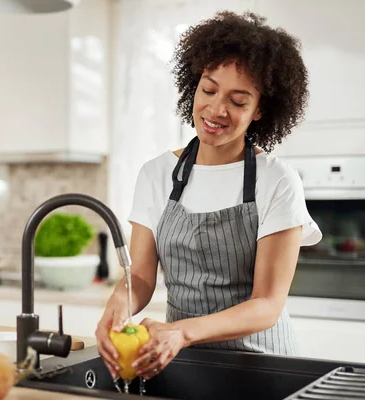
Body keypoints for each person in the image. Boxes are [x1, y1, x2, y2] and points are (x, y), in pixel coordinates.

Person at [96, 10, 322, 381]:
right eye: (209, 89)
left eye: (238, 100)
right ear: (194, 85)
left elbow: (267, 304)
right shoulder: (156, 174)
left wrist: (183, 331)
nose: (216, 110)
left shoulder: (278, 180)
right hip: (180, 364)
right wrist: (118, 303)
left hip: (263, 367)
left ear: (260, 109)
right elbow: (139, 276)